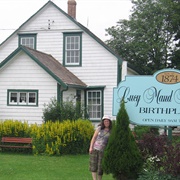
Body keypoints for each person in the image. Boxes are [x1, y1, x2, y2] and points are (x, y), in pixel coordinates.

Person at [89, 115, 112, 180]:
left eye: (107, 121)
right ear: (103, 122)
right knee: (93, 165)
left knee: (100, 167)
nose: (106, 123)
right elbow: (94, 138)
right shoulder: (99, 128)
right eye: (105, 121)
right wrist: (91, 147)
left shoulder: (111, 131)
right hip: (95, 149)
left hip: (103, 151)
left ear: (110, 122)